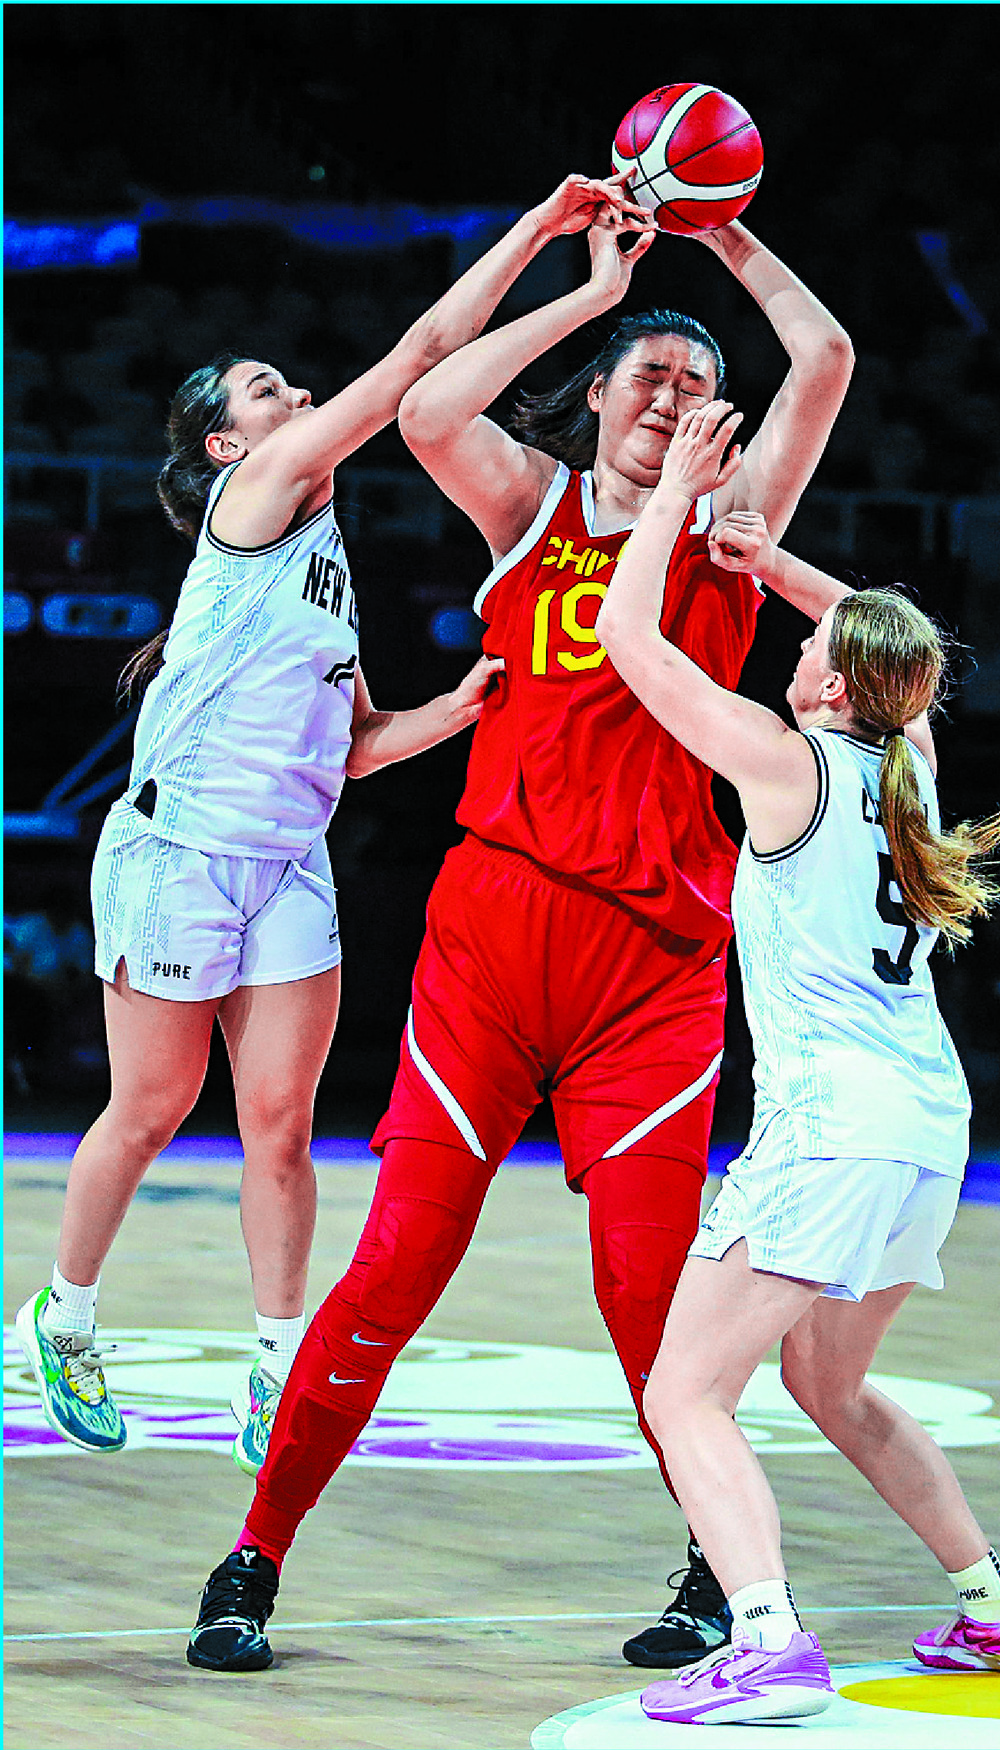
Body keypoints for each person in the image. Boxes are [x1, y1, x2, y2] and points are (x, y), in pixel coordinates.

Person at [186, 204, 854, 1674]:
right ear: (600, 395)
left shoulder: (732, 526)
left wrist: (725, 234)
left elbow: (826, 357)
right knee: (396, 1268)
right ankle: (254, 1555)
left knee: (647, 1300)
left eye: (698, 382)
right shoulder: (529, 507)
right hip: (489, 951)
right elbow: (432, 406)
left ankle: (717, 1571)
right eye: (649, 374)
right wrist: (595, 287)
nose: (673, 394)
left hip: (653, 973)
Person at [13, 172, 636, 1475]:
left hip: (288, 860)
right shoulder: (255, 498)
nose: (294, 393)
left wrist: (456, 710)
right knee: (153, 1106)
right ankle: (62, 1315)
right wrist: (547, 239)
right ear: (227, 446)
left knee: (281, 1127)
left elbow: (354, 747)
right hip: (181, 853)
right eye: (265, 390)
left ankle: (276, 1357)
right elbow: (421, 359)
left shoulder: (328, 561)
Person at [592, 400, 1000, 1724]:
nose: (797, 641)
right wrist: (770, 564)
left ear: (830, 684)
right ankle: (988, 1601)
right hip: (926, 1124)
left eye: (809, 641)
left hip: (832, 1124)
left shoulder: (786, 763)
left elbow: (627, 640)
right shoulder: (912, 767)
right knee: (829, 1381)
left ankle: (768, 1640)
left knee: (684, 1393)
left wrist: (675, 501)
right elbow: (897, 654)